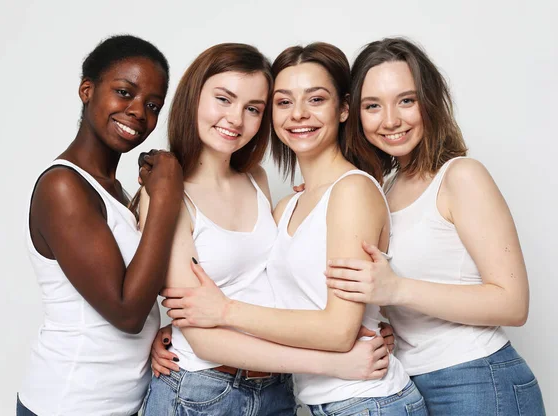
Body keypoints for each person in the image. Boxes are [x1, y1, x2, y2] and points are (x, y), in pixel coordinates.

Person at [159, 43, 426, 416]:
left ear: (344, 108)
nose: (298, 114)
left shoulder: (350, 191)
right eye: (283, 103)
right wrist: (172, 331)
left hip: (364, 401)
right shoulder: (286, 205)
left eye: (316, 99)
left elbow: (338, 330)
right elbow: (256, 288)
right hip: (301, 397)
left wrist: (225, 311)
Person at [323, 37, 546, 415]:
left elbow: (513, 303)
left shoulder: (460, 176)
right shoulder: (381, 191)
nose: (391, 119)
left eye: (406, 100)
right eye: (373, 105)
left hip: (477, 378)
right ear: (354, 114)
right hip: (408, 384)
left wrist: (397, 289)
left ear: (429, 102)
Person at [18, 35, 183, 416]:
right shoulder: (63, 186)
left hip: (117, 404)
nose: (139, 111)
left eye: (152, 104)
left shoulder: (113, 189)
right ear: (87, 90)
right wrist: (167, 199)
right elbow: (127, 313)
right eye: (124, 92)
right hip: (69, 403)